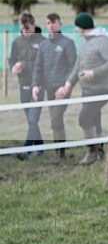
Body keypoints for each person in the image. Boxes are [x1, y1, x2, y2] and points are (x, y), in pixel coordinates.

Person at [55, 13, 108, 166]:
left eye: (77, 26)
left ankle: (92, 152)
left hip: (101, 89)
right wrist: (68, 85)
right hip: (87, 90)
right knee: (94, 120)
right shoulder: (84, 43)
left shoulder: (103, 42)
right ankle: (101, 151)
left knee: (84, 118)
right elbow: (78, 66)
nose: (75, 30)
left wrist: (93, 73)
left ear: (82, 27)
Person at [31, 13, 78, 164]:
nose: (51, 26)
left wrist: (65, 86)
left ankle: (61, 154)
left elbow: (73, 67)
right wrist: (35, 85)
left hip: (62, 90)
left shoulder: (68, 43)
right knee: (55, 121)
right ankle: (59, 153)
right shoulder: (44, 45)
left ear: (60, 24)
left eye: (53, 23)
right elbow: (38, 67)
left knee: (55, 119)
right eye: (48, 23)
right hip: (49, 89)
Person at [8, 13, 46, 160]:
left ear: (34, 25)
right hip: (23, 85)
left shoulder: (43, 42)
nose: (25, 33)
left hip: (38, 86)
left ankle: (26, 150)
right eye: (23, 30)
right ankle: (41, 147)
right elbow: (12, 59)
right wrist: (14, 67)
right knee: (31, 120)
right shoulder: (17, 42)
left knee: (33, 118)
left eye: (28, 29)